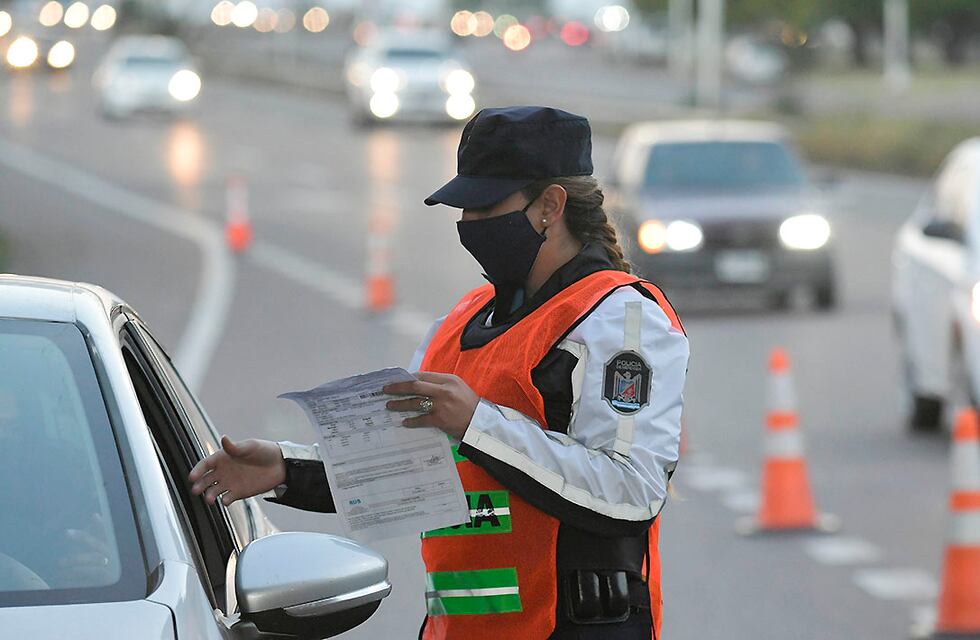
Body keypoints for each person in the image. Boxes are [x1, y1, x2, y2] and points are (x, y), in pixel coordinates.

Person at [189, 106, 688, 640]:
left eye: (485, 206)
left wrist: (477, 424)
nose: (469, 224)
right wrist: (287, 468)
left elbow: (630, 491)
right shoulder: (457, 324)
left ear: (550, 205)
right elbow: (410, 469)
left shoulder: (619, 319)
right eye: (463, 208)